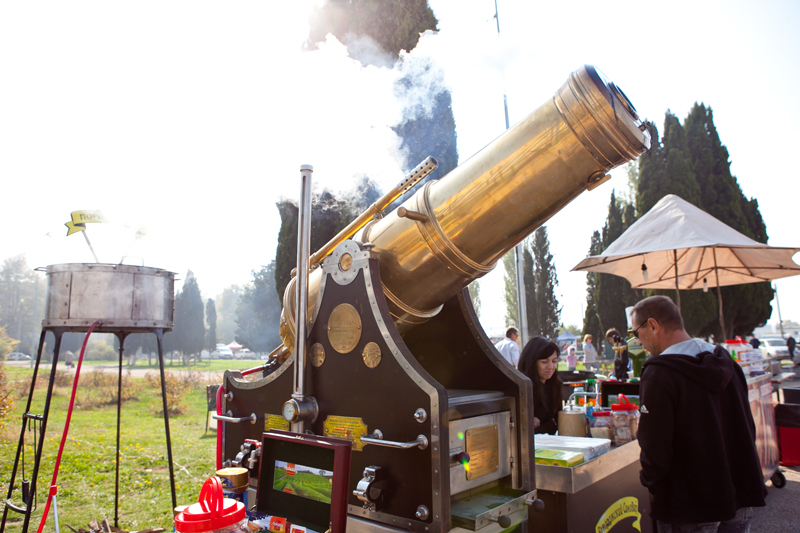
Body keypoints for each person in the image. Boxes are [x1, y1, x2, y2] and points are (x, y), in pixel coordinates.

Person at [632, 295, 766, 532]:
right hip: (739, 492)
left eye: (636, 333)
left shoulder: (659, 374)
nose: (639, 342)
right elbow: (747, 426)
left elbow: (655, 446)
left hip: (690, 504)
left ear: (652, 325)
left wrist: (652, 485)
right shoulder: (726, 362)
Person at [518, 337, 563, 434]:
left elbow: (559, 420)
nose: (551, 367)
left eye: (554, 361)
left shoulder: (556, 384)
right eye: (544, 362)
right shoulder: (522, 388)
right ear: (532, 362)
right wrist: (550, 425)